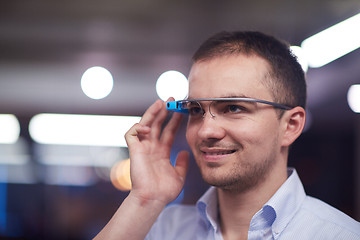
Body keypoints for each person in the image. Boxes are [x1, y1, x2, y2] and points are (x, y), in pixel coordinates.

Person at [94, 31, 360, 240]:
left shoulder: (342, 236)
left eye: (234, 108)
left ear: (290, 126)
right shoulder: (159, 229)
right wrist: (145, 200)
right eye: (196, 110)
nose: (207, 131)